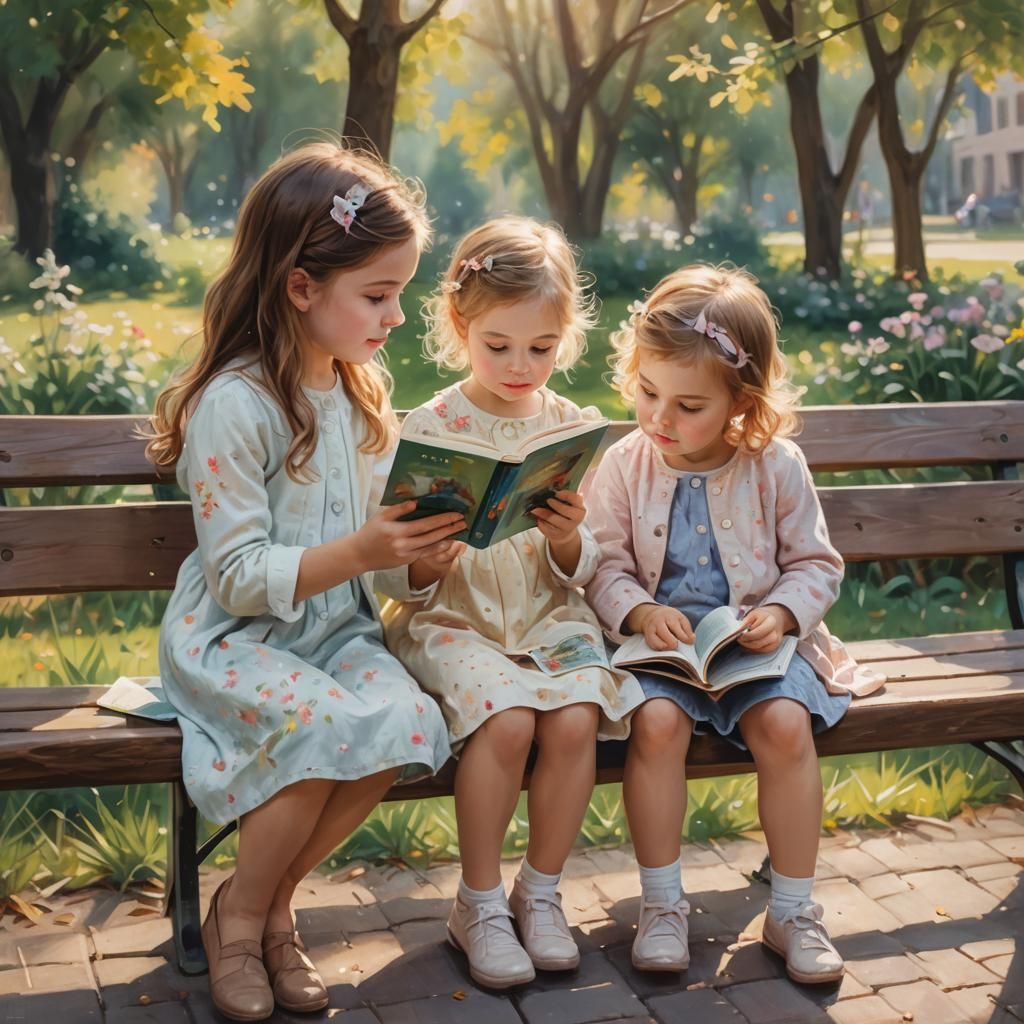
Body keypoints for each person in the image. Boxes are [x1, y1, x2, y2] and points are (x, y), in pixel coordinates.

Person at [146, 143, 459, 1022]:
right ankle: (241, 918)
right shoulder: (234, 406)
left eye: (400, 292)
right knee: (319, 723)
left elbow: (381, 556)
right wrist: (365, 553)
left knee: (406, 719)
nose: (396, 315)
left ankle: (272, 903)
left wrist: (421, 557)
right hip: (236, 639)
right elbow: (240, 577)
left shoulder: (361, 399)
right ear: (299, 287)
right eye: (378, 294)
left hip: (335, 633)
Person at [584, 264, 883, 985]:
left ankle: (793, 909)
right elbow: (602, 564)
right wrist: (639, 610)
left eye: (688, 405)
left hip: (761, 650)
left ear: (739, 403)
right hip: (664, 652)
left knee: (784, 727)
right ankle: (661, 906)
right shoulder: (625, 464)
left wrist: (781, 613)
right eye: (647, 392)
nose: (660, 418)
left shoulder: (775, 466)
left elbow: (815, 563)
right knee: (654, 727)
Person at [380, 216, 644, 989]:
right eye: (499, 346)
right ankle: (480, 903)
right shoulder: (431, 428)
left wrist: (568, 539)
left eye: (541, 347)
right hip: (453, 621)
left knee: (573, 717)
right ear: (460, 325)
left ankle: (542, 891)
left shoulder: (568, 427)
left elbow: (584, 564)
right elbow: (389, 577)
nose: (521, 365)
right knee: (507, 719)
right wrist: (423, 563)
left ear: (565, 336)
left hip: (546, 618)